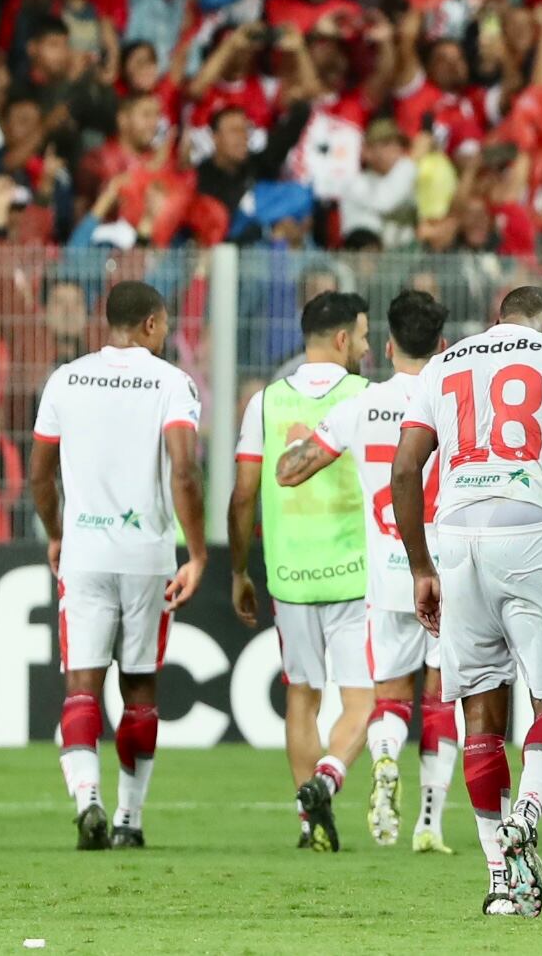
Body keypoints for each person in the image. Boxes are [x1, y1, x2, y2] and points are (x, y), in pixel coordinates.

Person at [393, 283, 542, 919]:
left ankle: (502, 883)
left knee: (480, 716)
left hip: (455, 538)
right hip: (531, 533)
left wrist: (420, 567)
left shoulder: (444, 362)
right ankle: (527, 814)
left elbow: (406, 470)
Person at [270, 288, 461, 853]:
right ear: (443, 346)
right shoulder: (453, 402)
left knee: (392, 698)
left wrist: (298, 444)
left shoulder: (358, 406)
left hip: (385, 575)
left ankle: (378, 763)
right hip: (444, 569)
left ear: (385, 346)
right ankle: (430, 822)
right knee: (443, 697)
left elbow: (289, 473)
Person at [25, 281, 207, 851]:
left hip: (84, 552)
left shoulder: (66, 378)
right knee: (140, 689)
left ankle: (88, 801)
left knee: (81, 685)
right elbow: (183, 470)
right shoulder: (172, 383)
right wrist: (197, 552)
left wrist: (57, 534)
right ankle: (129, 818)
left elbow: (38, 474)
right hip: (147, 556)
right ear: (152, 324)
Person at [229, 288, 373, 850]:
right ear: (341, 339)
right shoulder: (368, 396)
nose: (364, 345)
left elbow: (243, 496)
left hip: (289, 574)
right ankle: (327, 780)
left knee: (302, 699)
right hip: (356, 573)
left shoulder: (263, 403)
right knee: (363, 701)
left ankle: (309, 824)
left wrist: (239, 569)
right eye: (361, 336)